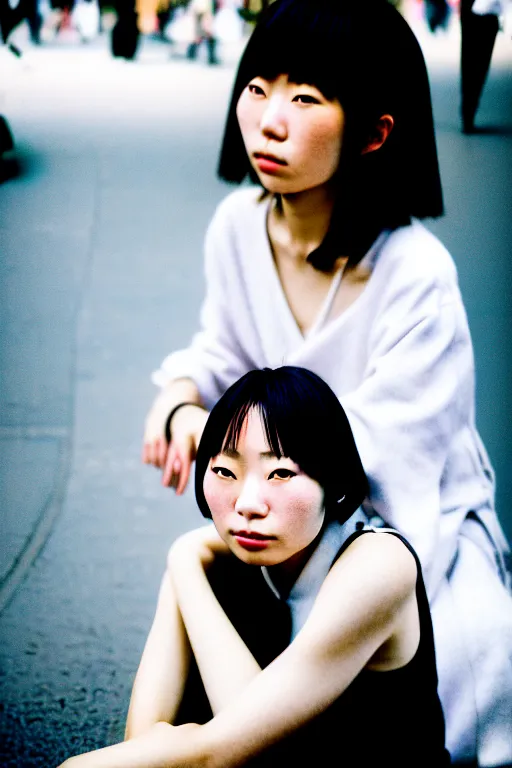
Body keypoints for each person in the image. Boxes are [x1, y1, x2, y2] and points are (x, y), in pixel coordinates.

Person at [142, 1, 512, 764]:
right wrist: (180, 392)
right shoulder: (238, 227)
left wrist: (228, 437)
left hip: (398, 535)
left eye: (305, 97)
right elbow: (223, 347)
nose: (269, 119)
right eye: (258, 87)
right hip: (285, 516)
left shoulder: (416, 275)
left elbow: (378, 461)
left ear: (374, 132)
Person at [59, 366, 452, 767]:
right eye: (225, 471)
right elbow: (143, 740)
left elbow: (241, 755)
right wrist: (183, 562)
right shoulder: (210, 559)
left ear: (333, 482)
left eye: (280, 473)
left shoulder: (379, 565)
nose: (247, 504)